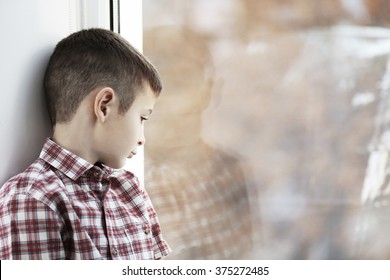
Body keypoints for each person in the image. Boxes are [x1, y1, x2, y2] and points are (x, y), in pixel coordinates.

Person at [0, 28, 171, 260]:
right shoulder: (31, 198)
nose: (142, 138)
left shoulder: (130, 190)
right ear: (104, 106)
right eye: (142, 118)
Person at [143, 26, 256, 259]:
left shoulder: (230, 170)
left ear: (210, 88)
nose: (173, 101)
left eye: (181, 78)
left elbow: (249, 257)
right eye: (160, 81)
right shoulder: (132, 185)